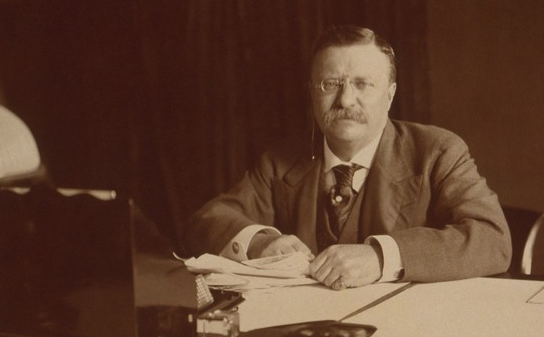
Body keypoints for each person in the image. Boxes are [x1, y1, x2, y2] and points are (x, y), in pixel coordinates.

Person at [182, 25, 511, 290]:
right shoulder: (280, 160)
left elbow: (491, 239)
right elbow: (208, 222)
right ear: (312, 92)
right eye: (331, 84)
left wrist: (380, 257)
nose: (345, 99)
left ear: (390, 94)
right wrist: (259, 244)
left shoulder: (437, 151)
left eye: (363, 84)